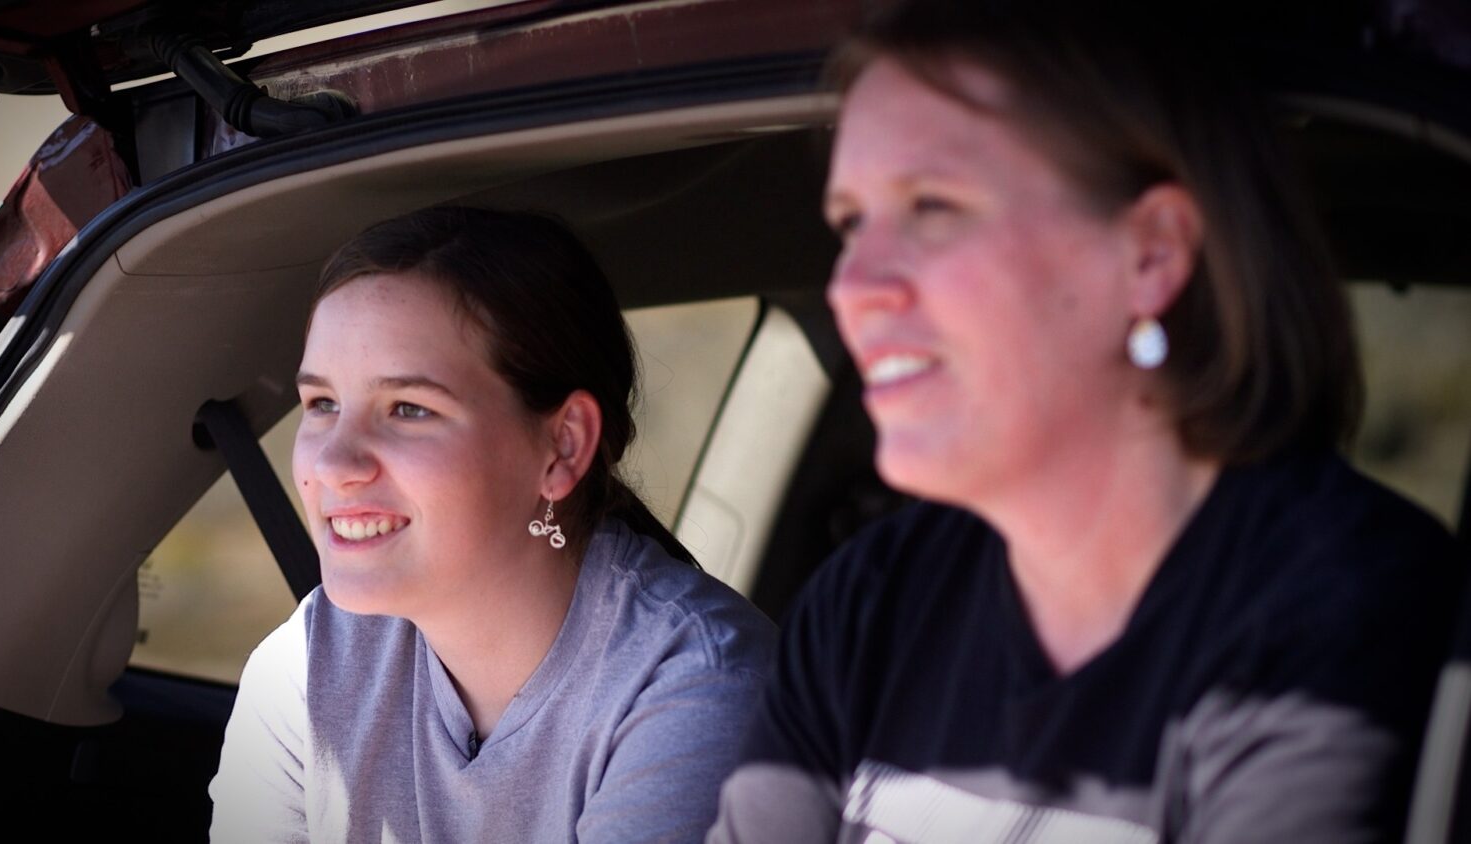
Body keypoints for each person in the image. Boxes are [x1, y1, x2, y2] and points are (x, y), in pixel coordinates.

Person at [710, 2, 1465, 841]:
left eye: (932, 205)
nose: (855, 286)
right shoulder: (867, 605)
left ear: (1151, 256)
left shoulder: (1340, 606)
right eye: (852, 223)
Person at [209, 207, 776, 842]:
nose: (334, 462)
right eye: (322, 404)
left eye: (407, 408)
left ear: (562, 447)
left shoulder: (704, 690)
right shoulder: (308, 666)